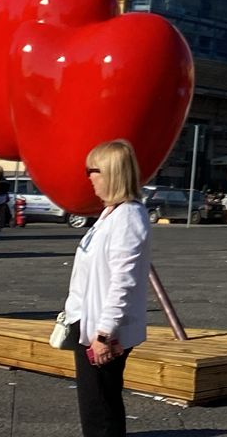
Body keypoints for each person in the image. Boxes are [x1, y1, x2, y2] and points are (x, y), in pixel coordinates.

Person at [64, 139, 151, 437]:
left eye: (93, 169)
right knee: (97, 399)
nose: (88, 176)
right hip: (88, 321)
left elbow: (123, 281)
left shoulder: (127, 217)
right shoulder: (111, 214)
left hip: (102, 328)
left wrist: (104, 332)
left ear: (112, 173)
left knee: (99, 404)